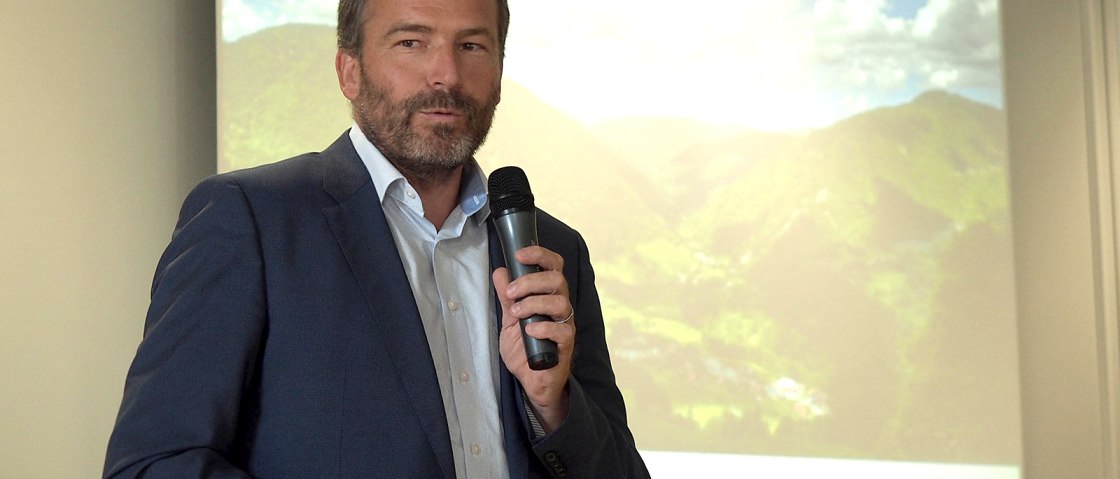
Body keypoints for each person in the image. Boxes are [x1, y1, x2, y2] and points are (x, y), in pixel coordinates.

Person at [103, 0, 649, 477]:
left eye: (472, 46)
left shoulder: (553, 250)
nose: (446, 75)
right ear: (349, 71)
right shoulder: (250, 219)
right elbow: (154, 464)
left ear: (500, 73)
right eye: (411, 42)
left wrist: (552, 405)